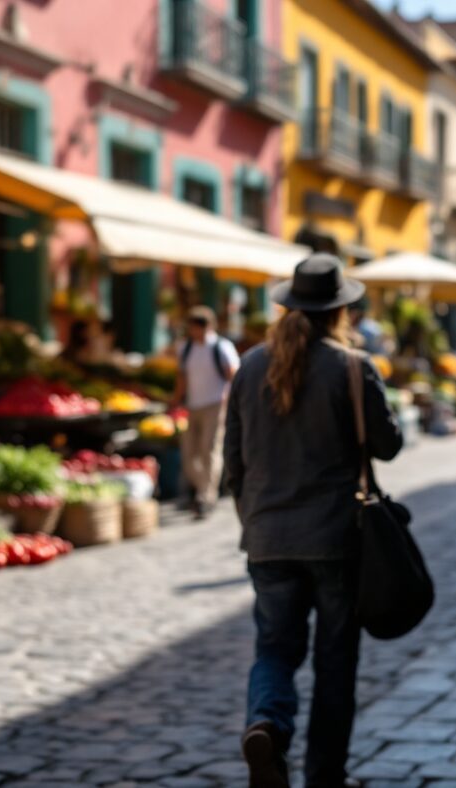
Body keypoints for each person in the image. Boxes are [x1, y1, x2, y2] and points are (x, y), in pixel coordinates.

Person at [224, 253, 402, 788]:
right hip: (335, 538)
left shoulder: (250, 365)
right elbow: (389, 445)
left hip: (268, 537)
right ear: (339, 311)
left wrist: (253, 519)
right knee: (334, 663)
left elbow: (233, 461)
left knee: (274, 650)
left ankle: (267, 726)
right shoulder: (351, 366)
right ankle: (325, 777)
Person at [170, 306, 240, 520]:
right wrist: (176, 399)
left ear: (206, 326)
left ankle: (206, 497)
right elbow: (182, 376)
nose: (192, 331)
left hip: (215, 404)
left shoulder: (221, 347)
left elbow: (233, 375)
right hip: (193, 405)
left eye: (195, 327)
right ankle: (203, 488)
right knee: (189, 453)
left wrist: (230, 401)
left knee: (209, 450)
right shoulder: (186, 348)